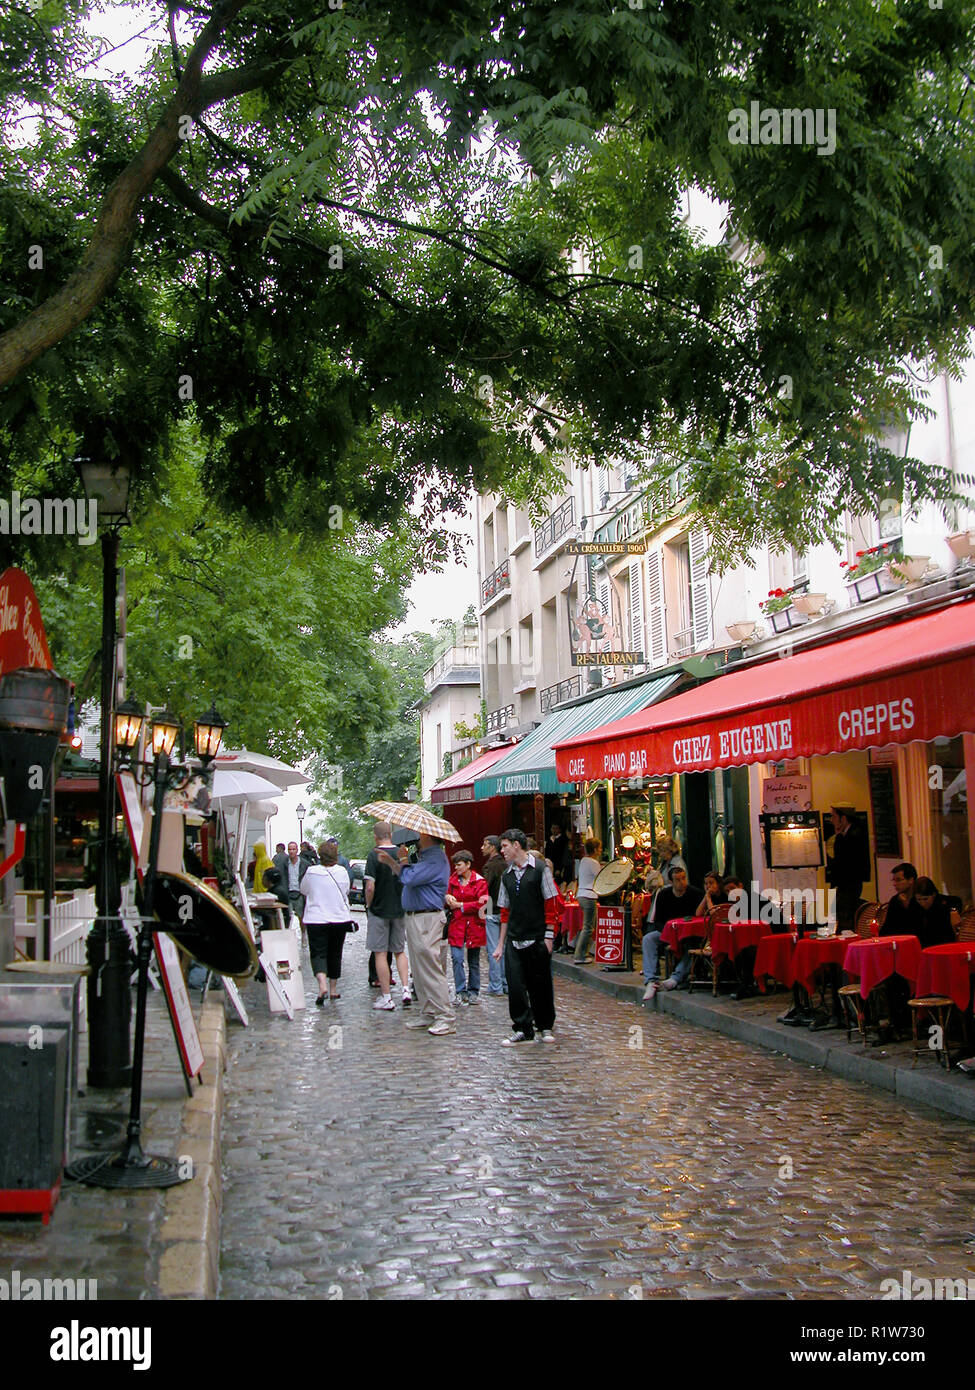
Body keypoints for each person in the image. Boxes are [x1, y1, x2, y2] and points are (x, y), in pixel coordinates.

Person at [379, 833, 455, 1036]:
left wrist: (403, 859)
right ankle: (428, 1011)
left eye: (421, 833)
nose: (417, 836)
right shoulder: (425, 857)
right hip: (417, 917)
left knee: (429, 967)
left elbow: (410, 877)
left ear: (429, 837)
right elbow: (406, 876)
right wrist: (391, 863)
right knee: (420, 969)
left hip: (426, 918)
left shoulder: (435, 858)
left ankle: (445, 1016)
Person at [494, 828, 559, 1045]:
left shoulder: (540, 870)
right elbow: (505, 911)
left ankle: (545, 1025)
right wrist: (501, 943)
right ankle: (522, 1027)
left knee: (540, 984)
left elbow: (551, 903)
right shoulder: (507, 875)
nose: (501, 850)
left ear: (516, 845)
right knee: (515, 986)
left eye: (504, 846)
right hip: (514, 937)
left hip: (537, 935)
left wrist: (549, 936)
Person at [364, 821, 411, 1011]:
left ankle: (386, 997)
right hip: (399, 909)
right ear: (390, 834)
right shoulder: (402, 854)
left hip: (379, 910)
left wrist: (369, 905)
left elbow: (369, 886)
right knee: (400, 951)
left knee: (380, 953)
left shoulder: (374, 855)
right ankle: (406, 988)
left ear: (375, 836)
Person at [300, 841, 353, 1006]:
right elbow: (346, 891)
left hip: (316, 918)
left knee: (318, 953)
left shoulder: (311, 872)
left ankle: (321, 984)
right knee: (335, 953)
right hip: (339, 918)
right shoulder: (342, 872)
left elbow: (303, 890)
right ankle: (333, 989)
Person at [641, 866, 701, 1000]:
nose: (682, 882)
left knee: (694, 945)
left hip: (688, 934)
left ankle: (675, 978)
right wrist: (668, 933)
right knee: (648, 939)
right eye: (678, 880)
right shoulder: (664, 895)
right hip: (668, 933)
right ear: (671, 882)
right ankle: (651, 980)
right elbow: (658, 920)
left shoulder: (695, 894)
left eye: (684, 878)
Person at [446, 850, 488, 1004]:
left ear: (468, 864)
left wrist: (461, 905)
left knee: (473, 960)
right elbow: (446, 898)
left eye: (459, 865)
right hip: (457, 925)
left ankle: (473, 991)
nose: (456, 868)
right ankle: (460, 990)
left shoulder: (480, 882)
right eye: (455, 865)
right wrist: (447, 897)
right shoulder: (452, 882)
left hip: (474, 926)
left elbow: (484, 904)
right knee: (457, 958)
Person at [827, 802, 868, 932]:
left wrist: (838, 836)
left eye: (833, 816)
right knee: (841, 916)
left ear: (843, 818)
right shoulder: (851, 834)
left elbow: (841, 862)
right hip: (848, 885)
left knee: (845, 919)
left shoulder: (852, 837)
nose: (831, 820)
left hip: (848, 885)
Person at [481, 835, 507, 997]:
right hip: (504, 910)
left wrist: (484, 911)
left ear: (493, 847)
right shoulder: (505, 864)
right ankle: (504, 982)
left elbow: (485, 889)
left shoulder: (490, 866)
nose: (482, 848)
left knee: (493, 948)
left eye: (485, 844)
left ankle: (496, 984)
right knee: (502, 947)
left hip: (492, 909)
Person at [572, 837, 602, 965]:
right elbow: (601, 877)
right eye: (599, 848)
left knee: (586, 926)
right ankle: (580, 955)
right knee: (588, 927)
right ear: (595, 849)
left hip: (581, 894)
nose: (600, 850)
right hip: (589, 895)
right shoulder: (593, 862)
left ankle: (582, 952)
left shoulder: (584, 860)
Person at [913, 877, 961, 948]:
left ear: (933, 894)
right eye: (919, 899)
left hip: (945, 945)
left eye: (925, 899)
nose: (922, 903)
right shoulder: (915, 906)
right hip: (925, 946)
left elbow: (957, 901)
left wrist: (953, 911)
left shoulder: (943, 902)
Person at [283, 840, 304, 924]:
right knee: (287, 918)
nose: (291, 851)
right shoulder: (285, 863)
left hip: (299, 893)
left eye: (293, 849)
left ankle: (303, 935)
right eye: (290, 849)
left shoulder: (303, 864)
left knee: (301, 916)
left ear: (297, 850)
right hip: (288, 893)